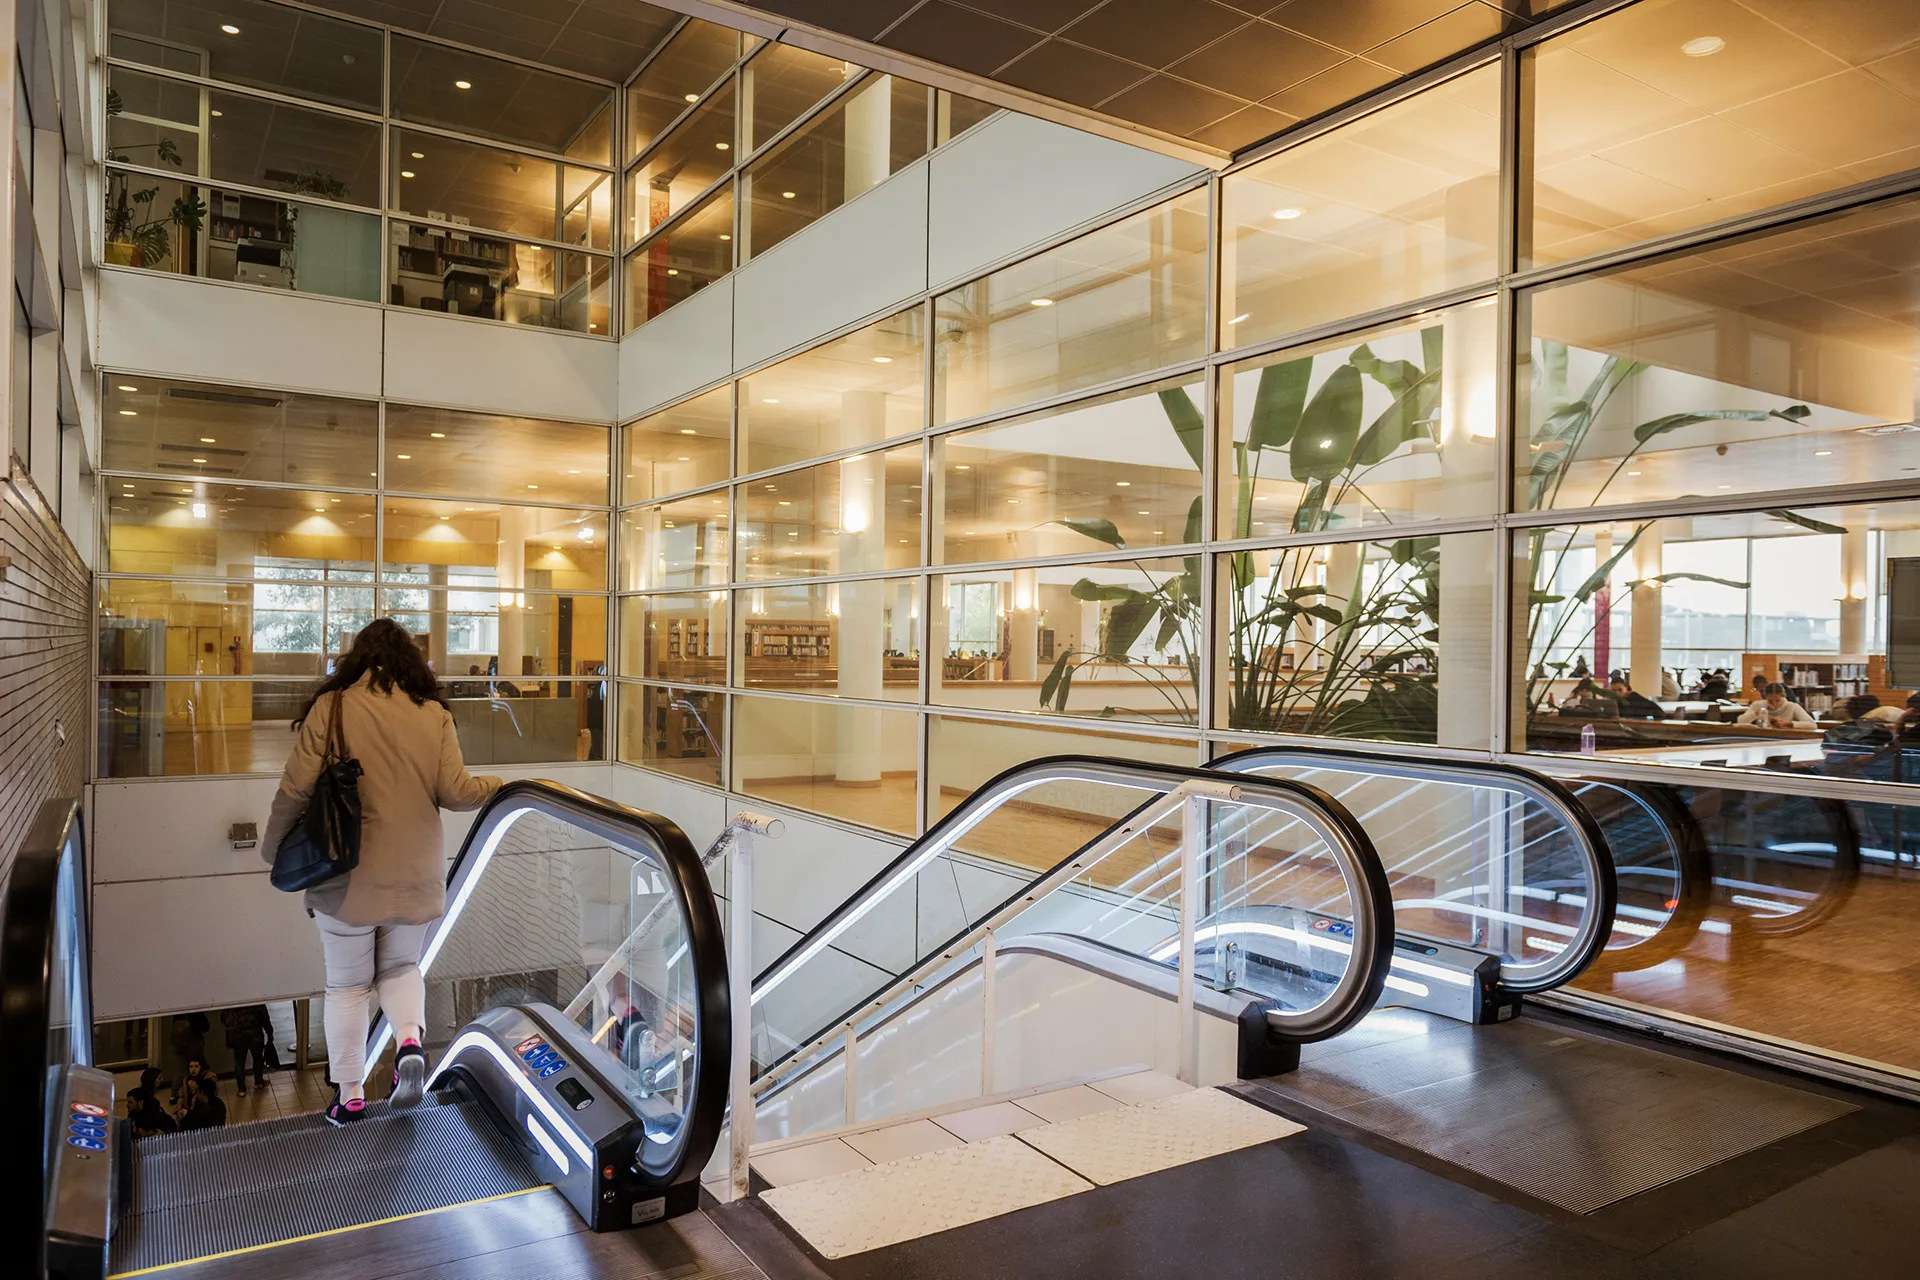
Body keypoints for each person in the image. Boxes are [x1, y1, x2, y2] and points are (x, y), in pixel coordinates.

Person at [260, 618, 501, 1128]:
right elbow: (456, 792)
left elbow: (296, 789)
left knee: (347, 986)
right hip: (416, 877)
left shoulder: (336, 706)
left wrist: (274, 847)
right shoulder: (434, 713)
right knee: (400, 970)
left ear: (358, 659)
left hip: (347, 878)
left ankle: (349, 1097)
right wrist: (498, 784)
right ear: (412, 661)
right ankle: (410, 1041)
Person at [220, 1005, 269, 1098]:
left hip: (238, 1036)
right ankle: (259, 1081)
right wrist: (269, 1031)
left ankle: (241, 1089)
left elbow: (224, 1018)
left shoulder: (231, 1000)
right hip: (255, 1033)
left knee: (239, 1062)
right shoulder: (254, 997)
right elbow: (264, 1016)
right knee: (258, 1058)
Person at [1739, 682, 1818, 729]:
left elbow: (1812, 725)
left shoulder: (1792, 707)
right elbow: (1741, 721)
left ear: (1783, 697)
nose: (1774, 704)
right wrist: (1757, 713)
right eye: (1770, 701)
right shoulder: (1759, 705)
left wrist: (1788, 724)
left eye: (1777, 700)